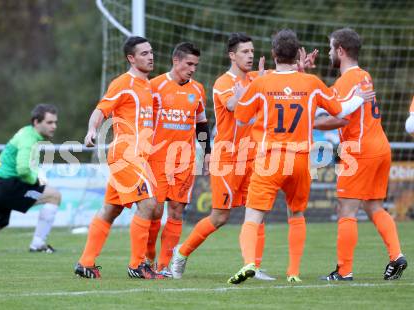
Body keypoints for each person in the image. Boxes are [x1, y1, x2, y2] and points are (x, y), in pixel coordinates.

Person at [227, 29, 375, 284]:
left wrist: (250, 99)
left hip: (271, 158)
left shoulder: (261, 83)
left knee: (253, 217)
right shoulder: (311, 82)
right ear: (297, 55)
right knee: (296, 215)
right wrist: (358, 98)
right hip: (301, 159)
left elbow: (240, 117)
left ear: (273, 54)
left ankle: (250, 262)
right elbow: (340, 110)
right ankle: (293, 272)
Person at [171, 33, 276, 281]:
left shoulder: (255, 78)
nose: (250, 55)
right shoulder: (223, 82)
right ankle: (181, 253)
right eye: (244, 52)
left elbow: (283, 80)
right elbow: (233, 106)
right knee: (220, 217)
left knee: (258, 211)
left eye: (252, 51)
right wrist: (256, 86)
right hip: (227, 158)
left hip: (252, 157)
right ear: (232, 55)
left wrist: (300, 69)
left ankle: (254, 265)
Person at [313, 28, 407, 281]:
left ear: (341, 51)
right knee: (374, 205)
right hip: (380, 146)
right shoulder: (364, 76)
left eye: (332, 49)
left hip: (360, 149)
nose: (330, 53)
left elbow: (338, 118)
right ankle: (396, 256)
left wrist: (310, 123)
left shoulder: (345, 81)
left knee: (346, 208)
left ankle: (344, 271)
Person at [74, 36, 164, 279]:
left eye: (151, 51)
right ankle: (137, 265)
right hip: (127, 154)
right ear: (131, 58)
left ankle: (85, 262)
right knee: (148, 204)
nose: (150, 56)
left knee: (110, 210)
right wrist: (92, 129)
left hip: (138, 156)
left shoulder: (148, 85)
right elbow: (100, 110)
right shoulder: (123, 83)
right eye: (144, 53)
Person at [145, 42, 211, 276]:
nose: (192, 69)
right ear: (176, 61)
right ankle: (148, 257)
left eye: (195, 65)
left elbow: (201, 124)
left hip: (185, 161)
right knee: (153, 210)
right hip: (156, 159)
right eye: (189, 64)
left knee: (176, 210)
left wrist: (208, 152)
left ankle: (164, 266)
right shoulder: (155, 86)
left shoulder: (198, 90)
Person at [0, 104, 61, 253]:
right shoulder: (29, 138)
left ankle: (37, 245)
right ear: (36, 122)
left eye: (55, 122)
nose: (54, 126)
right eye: (49, 122)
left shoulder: (26, 133)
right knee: (54, 196)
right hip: (5, 188)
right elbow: (23, 170)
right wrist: (36, 181)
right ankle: (38, 245)